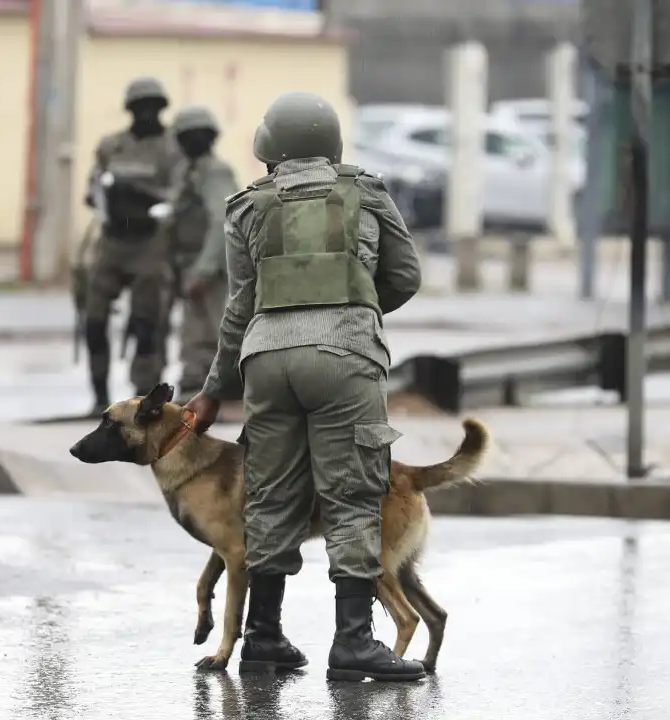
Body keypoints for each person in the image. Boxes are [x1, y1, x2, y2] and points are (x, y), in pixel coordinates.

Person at [184, 92, 426, 682]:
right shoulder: (366, 191)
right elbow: (405, 275)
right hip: (346, 356)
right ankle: (352, 643)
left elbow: (239, 307)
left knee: (269, 495)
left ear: (274, 148)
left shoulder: (246, 207)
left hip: (266, 361)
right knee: (351, 495)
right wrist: (358, 308)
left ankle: (263, 638)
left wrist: (213, 390)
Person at [82, 76, 184, 413]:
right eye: (139, 107)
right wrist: (105, 194)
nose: (145, 114)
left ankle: (144, 395)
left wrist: (144, 196)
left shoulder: (172, 149)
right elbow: (93, 188)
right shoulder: (112, 146)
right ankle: (98, 394)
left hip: (149, 243)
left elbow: (178, 196)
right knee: (94, 319)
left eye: (152, 108)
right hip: (112, 241)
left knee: (147, 323)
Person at [164, 106, 240, 404]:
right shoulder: (187, 172)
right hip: (187, 261)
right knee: (195, 326)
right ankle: (199, 381)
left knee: (207, 328)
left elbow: (222, 221)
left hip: (210, 264)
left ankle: (206, 384)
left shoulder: (215, 172)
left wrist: (204, 270)